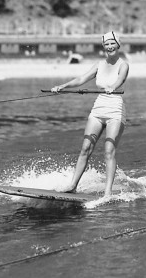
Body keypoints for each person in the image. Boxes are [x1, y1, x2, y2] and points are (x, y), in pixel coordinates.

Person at [51, 31, 129, 197]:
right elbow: (80, 79)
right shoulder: (99, 64)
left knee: (109, 150)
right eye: (106, 44)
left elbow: (120, 79)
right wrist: (62, 86)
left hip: (115, 109)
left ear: (118, 45)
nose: (109, 47)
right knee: (86, 147)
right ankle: (72, 185)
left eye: (112, 43)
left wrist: (112, 87)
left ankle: (107, 193)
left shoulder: (123, 65)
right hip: (98, 107)